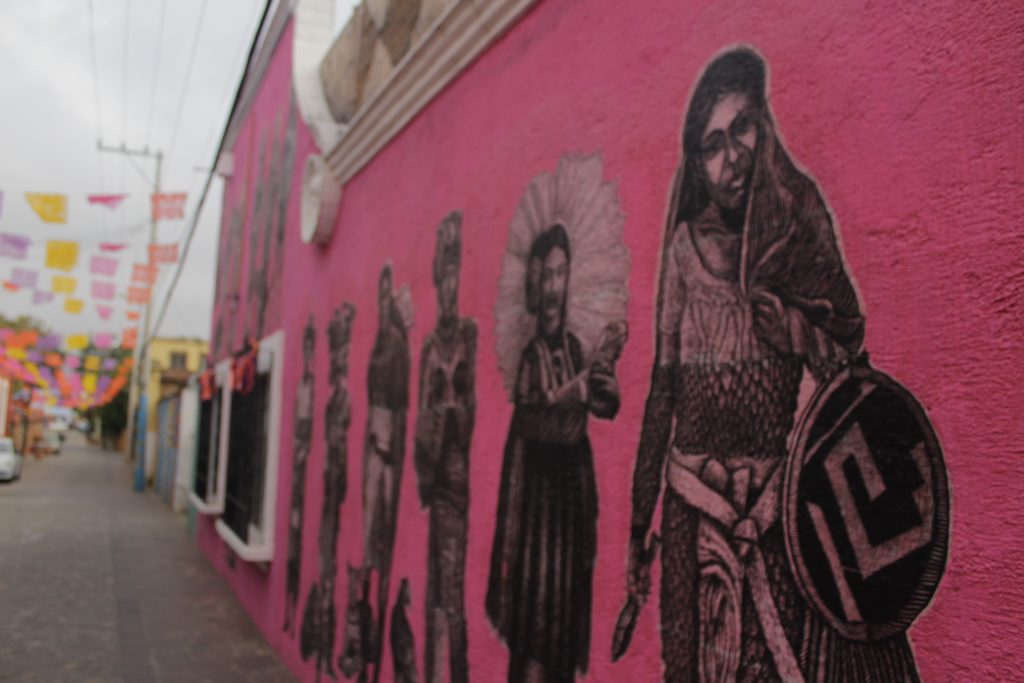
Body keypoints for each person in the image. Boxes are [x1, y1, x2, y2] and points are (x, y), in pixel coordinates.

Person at [626, 47, 919, 681]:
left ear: (764, 124)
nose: (733, 156)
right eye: (712, 145)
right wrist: (637, 524)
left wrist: (792, 329)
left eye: (742, 129)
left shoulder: (798, 225)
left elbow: (850, 370)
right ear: (696, 164)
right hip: (694, 515)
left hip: (777, 518)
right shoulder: (683, 251)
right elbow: (662, 391)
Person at [487, 224, 625, 683]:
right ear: (534, 281)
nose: (553, 287)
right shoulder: (531, 356)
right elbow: (534, 420)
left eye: (560, 274)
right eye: (545, 275)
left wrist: (603, 373)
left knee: (563, 631)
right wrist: (575, 393)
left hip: (569, 510)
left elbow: (605, 404)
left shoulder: (573, 349)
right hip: (537, 515)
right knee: (535, 632)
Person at [414, 213, 476, 683]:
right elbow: (422, 413)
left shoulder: (469, 335)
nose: (450, 286)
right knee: (436, 586)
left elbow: (471, 407)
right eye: (445, 275)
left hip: (458, 482)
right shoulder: (429, 346)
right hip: (436, 479)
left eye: (456, 273)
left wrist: (454, 413)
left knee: (452, 594)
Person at [362, 264, 412, 682]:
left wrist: (386, 448)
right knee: (367, 542)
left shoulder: (395, 343)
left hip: (387, 452)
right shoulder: (379, 341)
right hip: (373, 450)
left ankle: (375, 648)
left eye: (385, 295)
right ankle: (366, 643)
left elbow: (399, 408)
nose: (381, 303)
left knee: (382, 540)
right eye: (378, 296)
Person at [301, 303, 356, 680]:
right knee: (326, 570)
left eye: (344, 349)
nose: (340, 357)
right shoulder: (333, 396)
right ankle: (321, 657)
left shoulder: (344, 397)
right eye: (338, 349)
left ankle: (324, 658)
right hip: (328, 492)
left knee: (331, 571)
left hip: (335, 490)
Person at [285, 317, 316, 636]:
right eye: (305, 347)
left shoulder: (316, 385)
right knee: (293, 545)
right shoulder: (303, 385)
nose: (308, 353)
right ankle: (289, 614)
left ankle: (293, 615)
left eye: (311, 347)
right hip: (298, 470)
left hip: (306, 470)